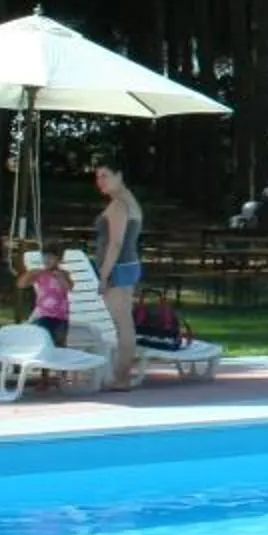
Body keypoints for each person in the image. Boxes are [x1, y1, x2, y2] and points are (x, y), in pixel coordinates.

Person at [90, 159, 146, 390]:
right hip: (126, 265)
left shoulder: (120, 205)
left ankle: (121, 377)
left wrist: (103, 275)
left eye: (105, 175)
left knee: (122, 323)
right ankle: (121, 374)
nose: (100, 181)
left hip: (118, 268)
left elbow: (115, 243)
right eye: (97, 176)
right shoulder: (127, 201)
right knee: (124, 322)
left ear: (119, 175)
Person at [20, 248, 72, 347]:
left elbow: (69, 287)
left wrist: (61, 277)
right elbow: (21, 285)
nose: (47, 260)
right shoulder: (40, 274)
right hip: (43, 315)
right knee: (42, 343)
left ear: (59, 260)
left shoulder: (64, 274)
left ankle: (58, 361)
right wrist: (29, 274)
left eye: (51, 257)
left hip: (61, 317)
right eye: (45, 257)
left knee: (59, 344)